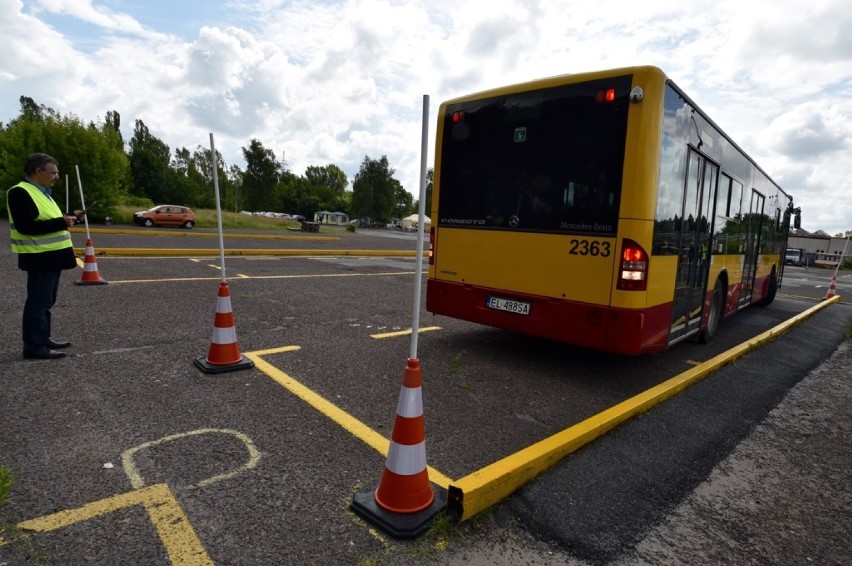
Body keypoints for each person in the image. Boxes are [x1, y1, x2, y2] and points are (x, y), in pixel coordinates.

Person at [6, 153, 80, 359]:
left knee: (46, 302)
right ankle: (34, 347)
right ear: (38, 171)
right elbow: (26, 226)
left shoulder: (43, 193)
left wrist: (67, 221)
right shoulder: (20, 192)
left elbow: (49, 222)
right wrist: (61, 222)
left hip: (51, 257)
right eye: (53, 172)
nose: (56, 176)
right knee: (38, 303)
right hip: (39, 256)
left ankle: (43, 338)